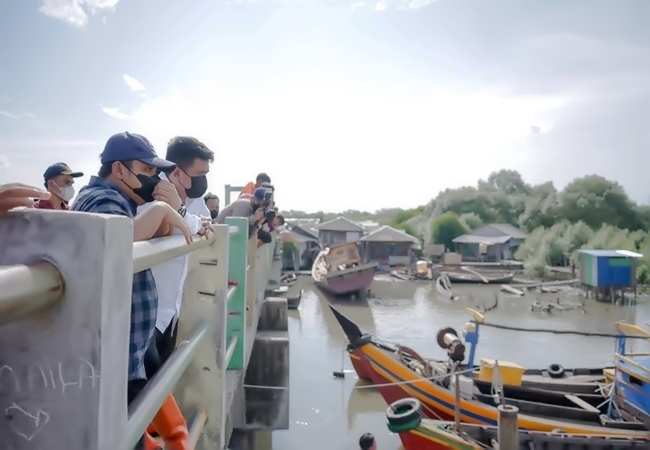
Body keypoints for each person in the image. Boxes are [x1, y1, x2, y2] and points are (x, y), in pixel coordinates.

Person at [71, 132, 192, 450]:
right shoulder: (102, 199)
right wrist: (160, 211)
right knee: (124, 433)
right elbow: (115, 239)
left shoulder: (124, 199)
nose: (153, 178)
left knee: (137, 425)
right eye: (147, 170)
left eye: (156, 172)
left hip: (126, 347)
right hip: (111, 352)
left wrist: (166, 209)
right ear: (120, 170)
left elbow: (155, 236)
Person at [141, 136, 213, 374]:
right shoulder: (151, 191)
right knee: (144, 395)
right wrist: (187, 217)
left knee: (161, 380)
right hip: (145, 313)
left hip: (171, 312)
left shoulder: (195, 199)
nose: (204, 180)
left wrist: (188, 217)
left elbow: (205, 226)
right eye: (200, 173)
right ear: (177, 172)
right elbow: (163, 223)